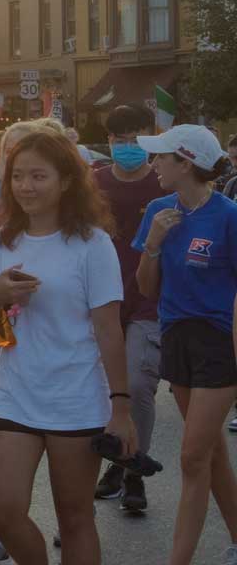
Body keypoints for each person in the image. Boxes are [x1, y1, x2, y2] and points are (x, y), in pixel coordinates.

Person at [0, 130, 136, 565]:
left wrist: (122, 408)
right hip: (15, 394)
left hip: (75, 397)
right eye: (18, 176)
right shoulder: (1, 241)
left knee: (74, 518)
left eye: (39, 176)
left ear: (66, 181)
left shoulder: (92, 244)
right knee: (4, 509)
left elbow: (110, 330)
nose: (26, 186)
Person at [133, 125, 237, 565]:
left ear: (186, 162)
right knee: (211, 454)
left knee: (193, 456)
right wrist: (153, 243)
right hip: (175, 336)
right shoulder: (158, 210)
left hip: (220, 341)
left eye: (161, 157)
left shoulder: (230, 215)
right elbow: (145, 288)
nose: (152, 164)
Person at [90, 105, 167, 512]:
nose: (127, 147)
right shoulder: (95, 183)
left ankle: (135, 472)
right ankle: (117, 463)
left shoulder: (163, 182)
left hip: (149, 300)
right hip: (104, 299)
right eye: (120, 141)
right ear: (110, 143)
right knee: (105, 390)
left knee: (136, 385)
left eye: (136, 139)